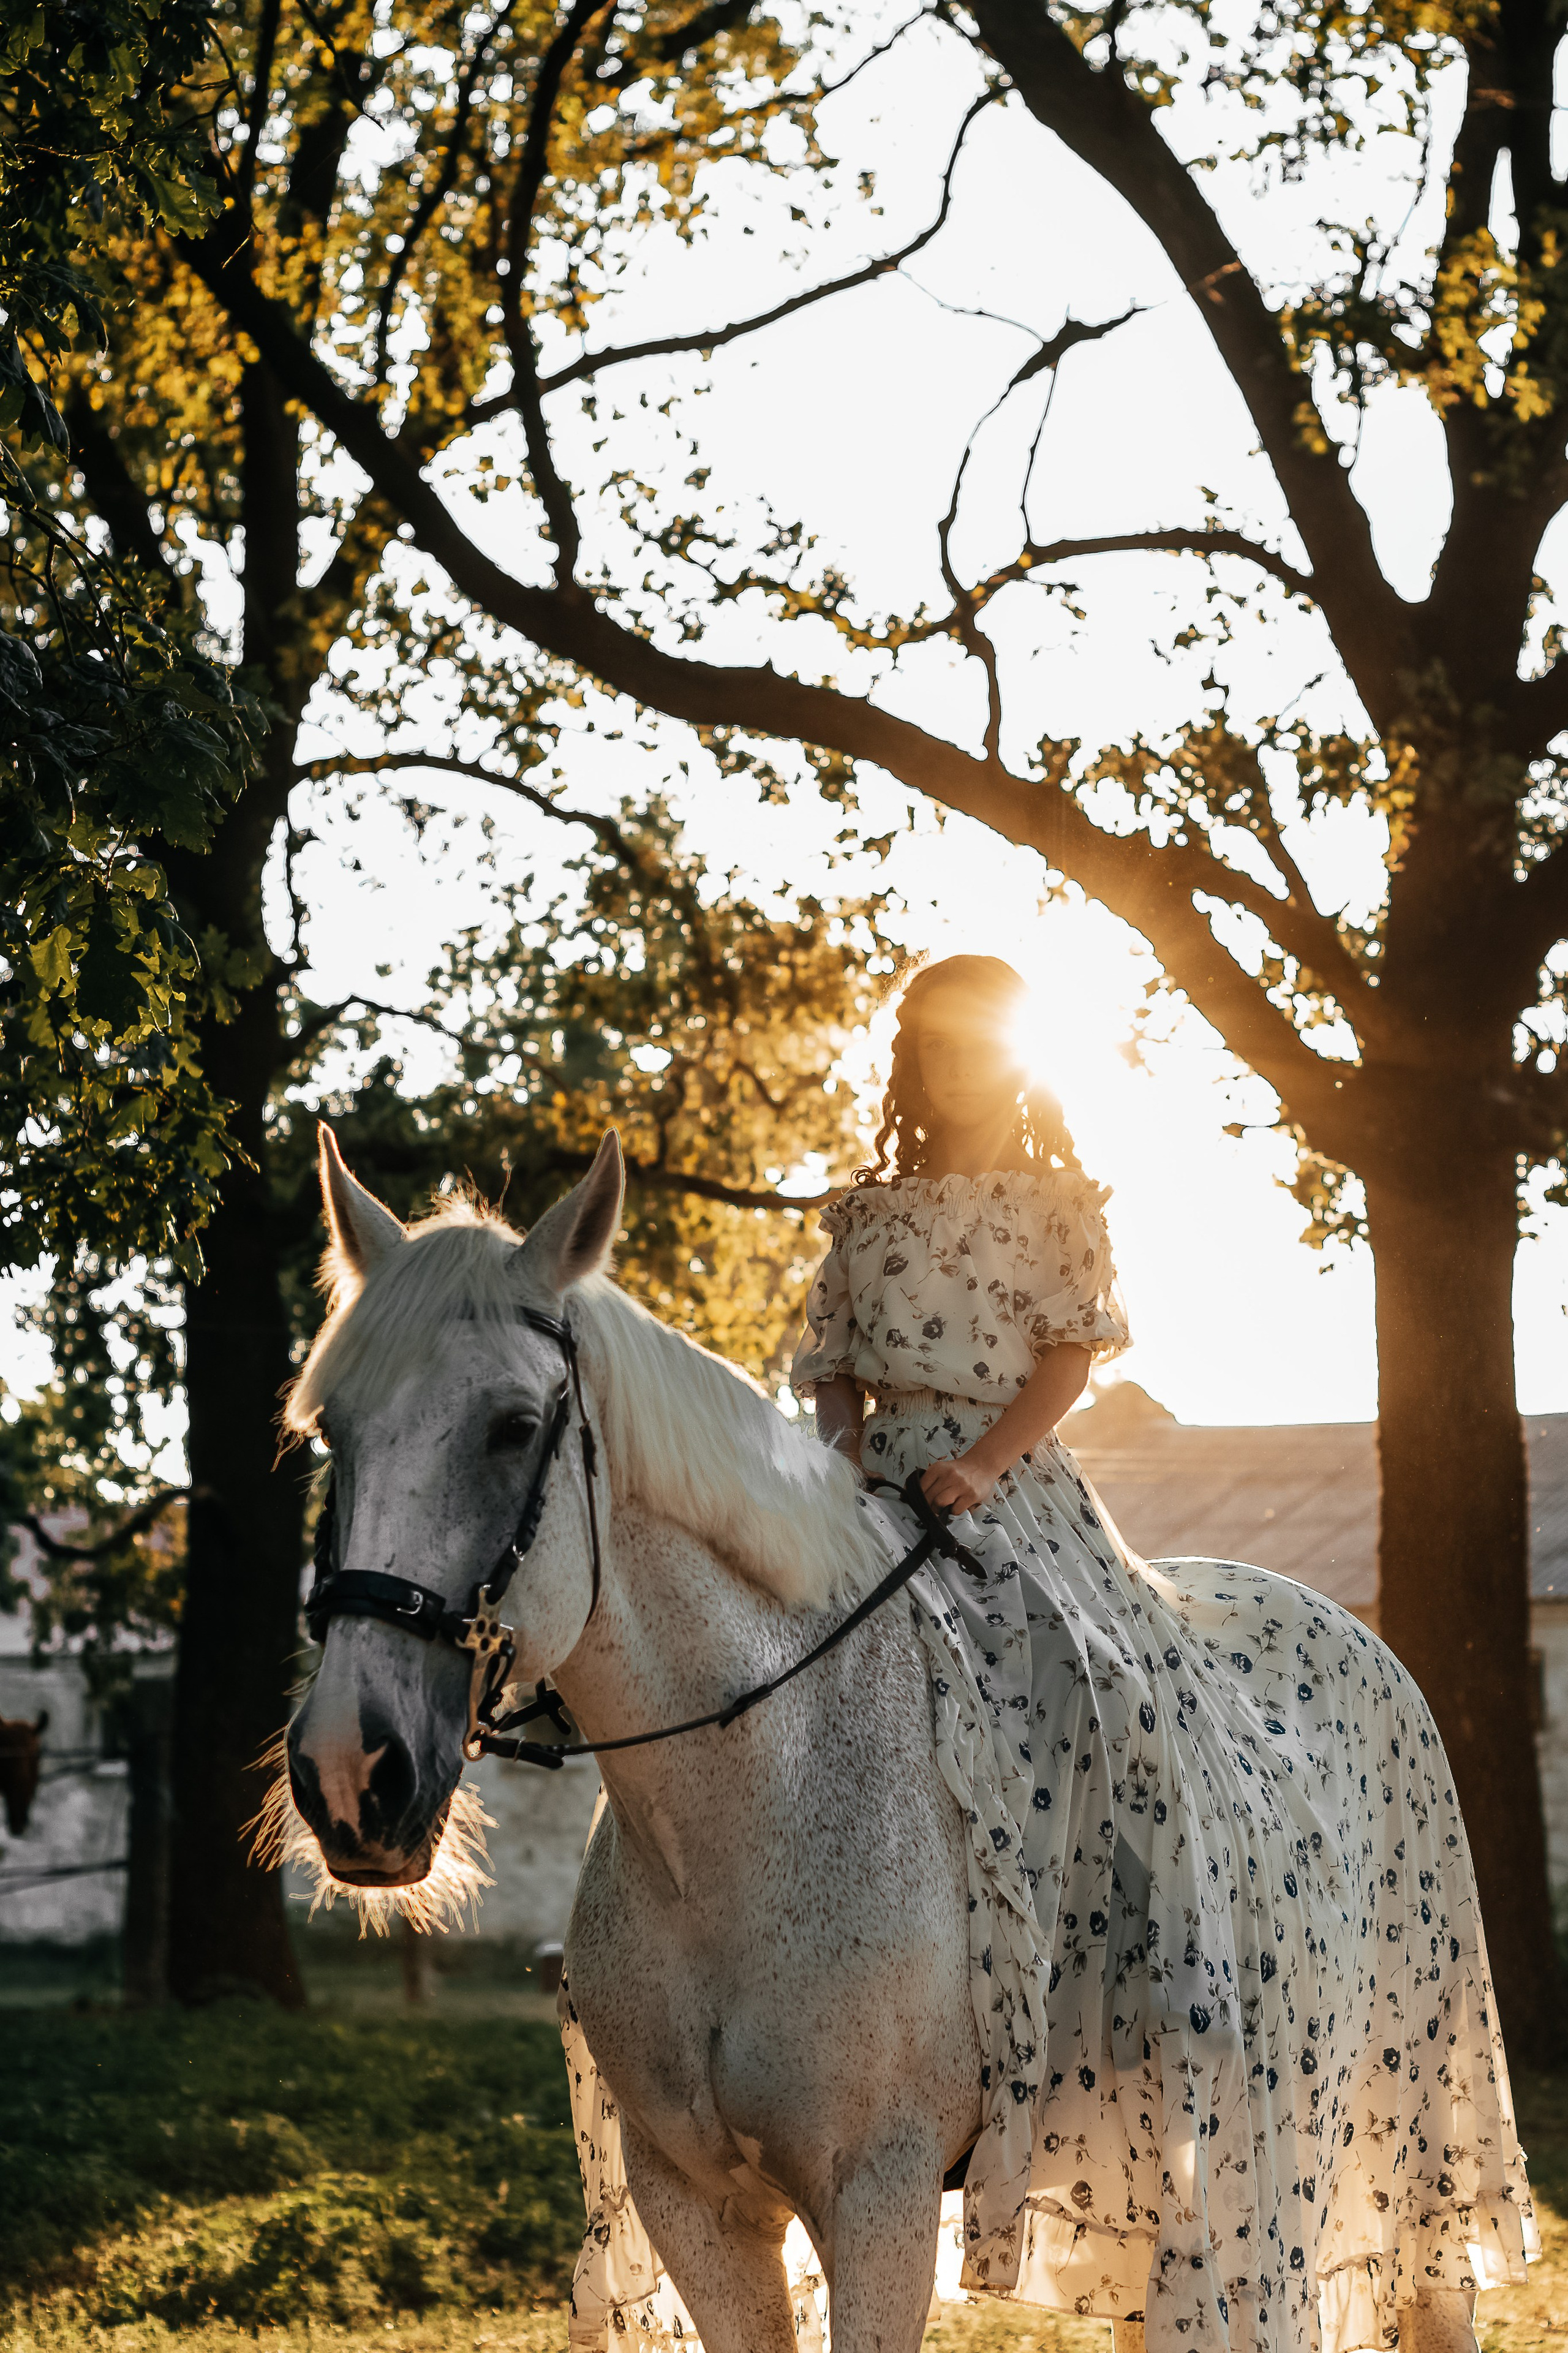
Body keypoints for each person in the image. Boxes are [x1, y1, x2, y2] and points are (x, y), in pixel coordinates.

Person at [790, 953, 1532, 2353]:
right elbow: (829, 1361)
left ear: (1013, 1062)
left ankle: (1150, 1982)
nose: (957, 1071)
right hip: (863, 1491)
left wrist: (982, 1462)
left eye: (979, 1049)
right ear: (909, 1061)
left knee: (1087, 1689)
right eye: (934, 1049)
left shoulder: (1051, 1205)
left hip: (1008, 1491)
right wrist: (838, 1456)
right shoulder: (864, 1213)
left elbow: (1069, 1361)